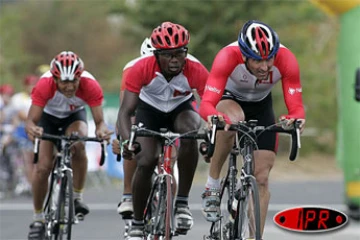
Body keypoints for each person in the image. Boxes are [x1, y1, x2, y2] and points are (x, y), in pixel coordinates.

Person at [199, 20, 306, 237]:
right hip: (230, 99)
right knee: (233, 120)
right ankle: (212, 183)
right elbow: (206, 104)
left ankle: (254, 235)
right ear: (245, 55)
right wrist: (213, 116)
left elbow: (296, 107)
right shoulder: (227, 56)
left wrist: (295, 118)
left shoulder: (287, 59)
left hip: (261, 105)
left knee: (262, 177)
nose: (265, 66)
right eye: (258, 60)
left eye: (269, 58)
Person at [118, 21, 209, 239]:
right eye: (168, 55)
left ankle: (182, 203)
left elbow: (210, 106)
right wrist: (126, 141)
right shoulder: (140, 68)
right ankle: (138, 223)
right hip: (149, 111)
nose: (175, 60)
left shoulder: (195, 68)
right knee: (147, 160)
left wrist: (210, 134)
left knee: (189, 132)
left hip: (181, 109)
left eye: (180, 53)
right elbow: (125, 112)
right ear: (157, 54)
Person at [26, 51, 112, 240]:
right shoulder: (44, 84)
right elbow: (31, 122)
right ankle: (38, 218)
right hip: (47, 119)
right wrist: (33, 130)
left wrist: (101, 130)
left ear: (80, 76)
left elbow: (99, 123)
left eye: (74, 81)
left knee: (78, 144)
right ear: (55, 79)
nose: (70, 86)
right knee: (43, 167)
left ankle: (77, 197)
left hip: (73, 118)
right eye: (64, 82)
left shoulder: (90, 85)